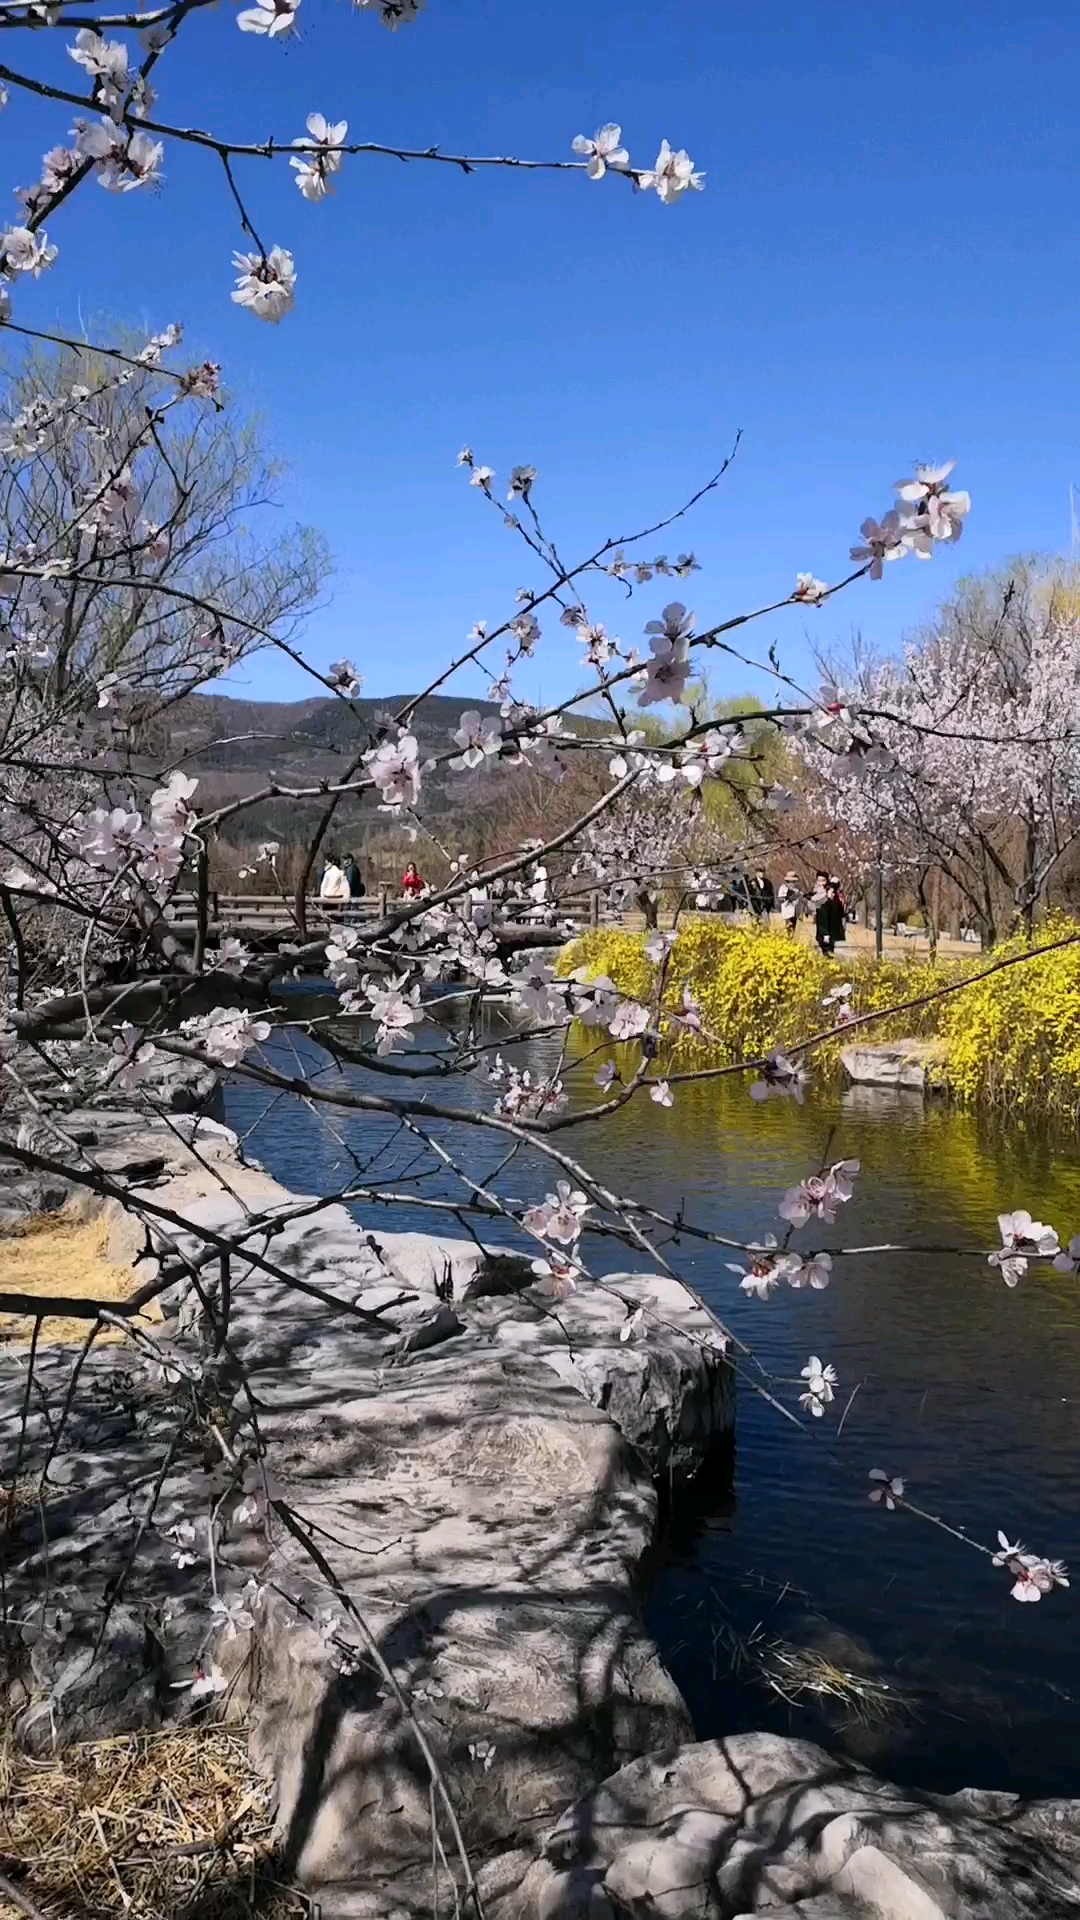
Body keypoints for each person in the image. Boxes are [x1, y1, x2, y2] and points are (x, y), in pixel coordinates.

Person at [816, 880, 846, 957]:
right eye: (831, 892)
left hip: (832, 934)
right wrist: (825, 934)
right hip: (825, 934)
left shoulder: (834, 902)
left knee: (830, 953)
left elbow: (841, 914)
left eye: (834, 892)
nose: (833, 894)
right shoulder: (823, 904)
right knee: (827, 953)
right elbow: (822, 921)